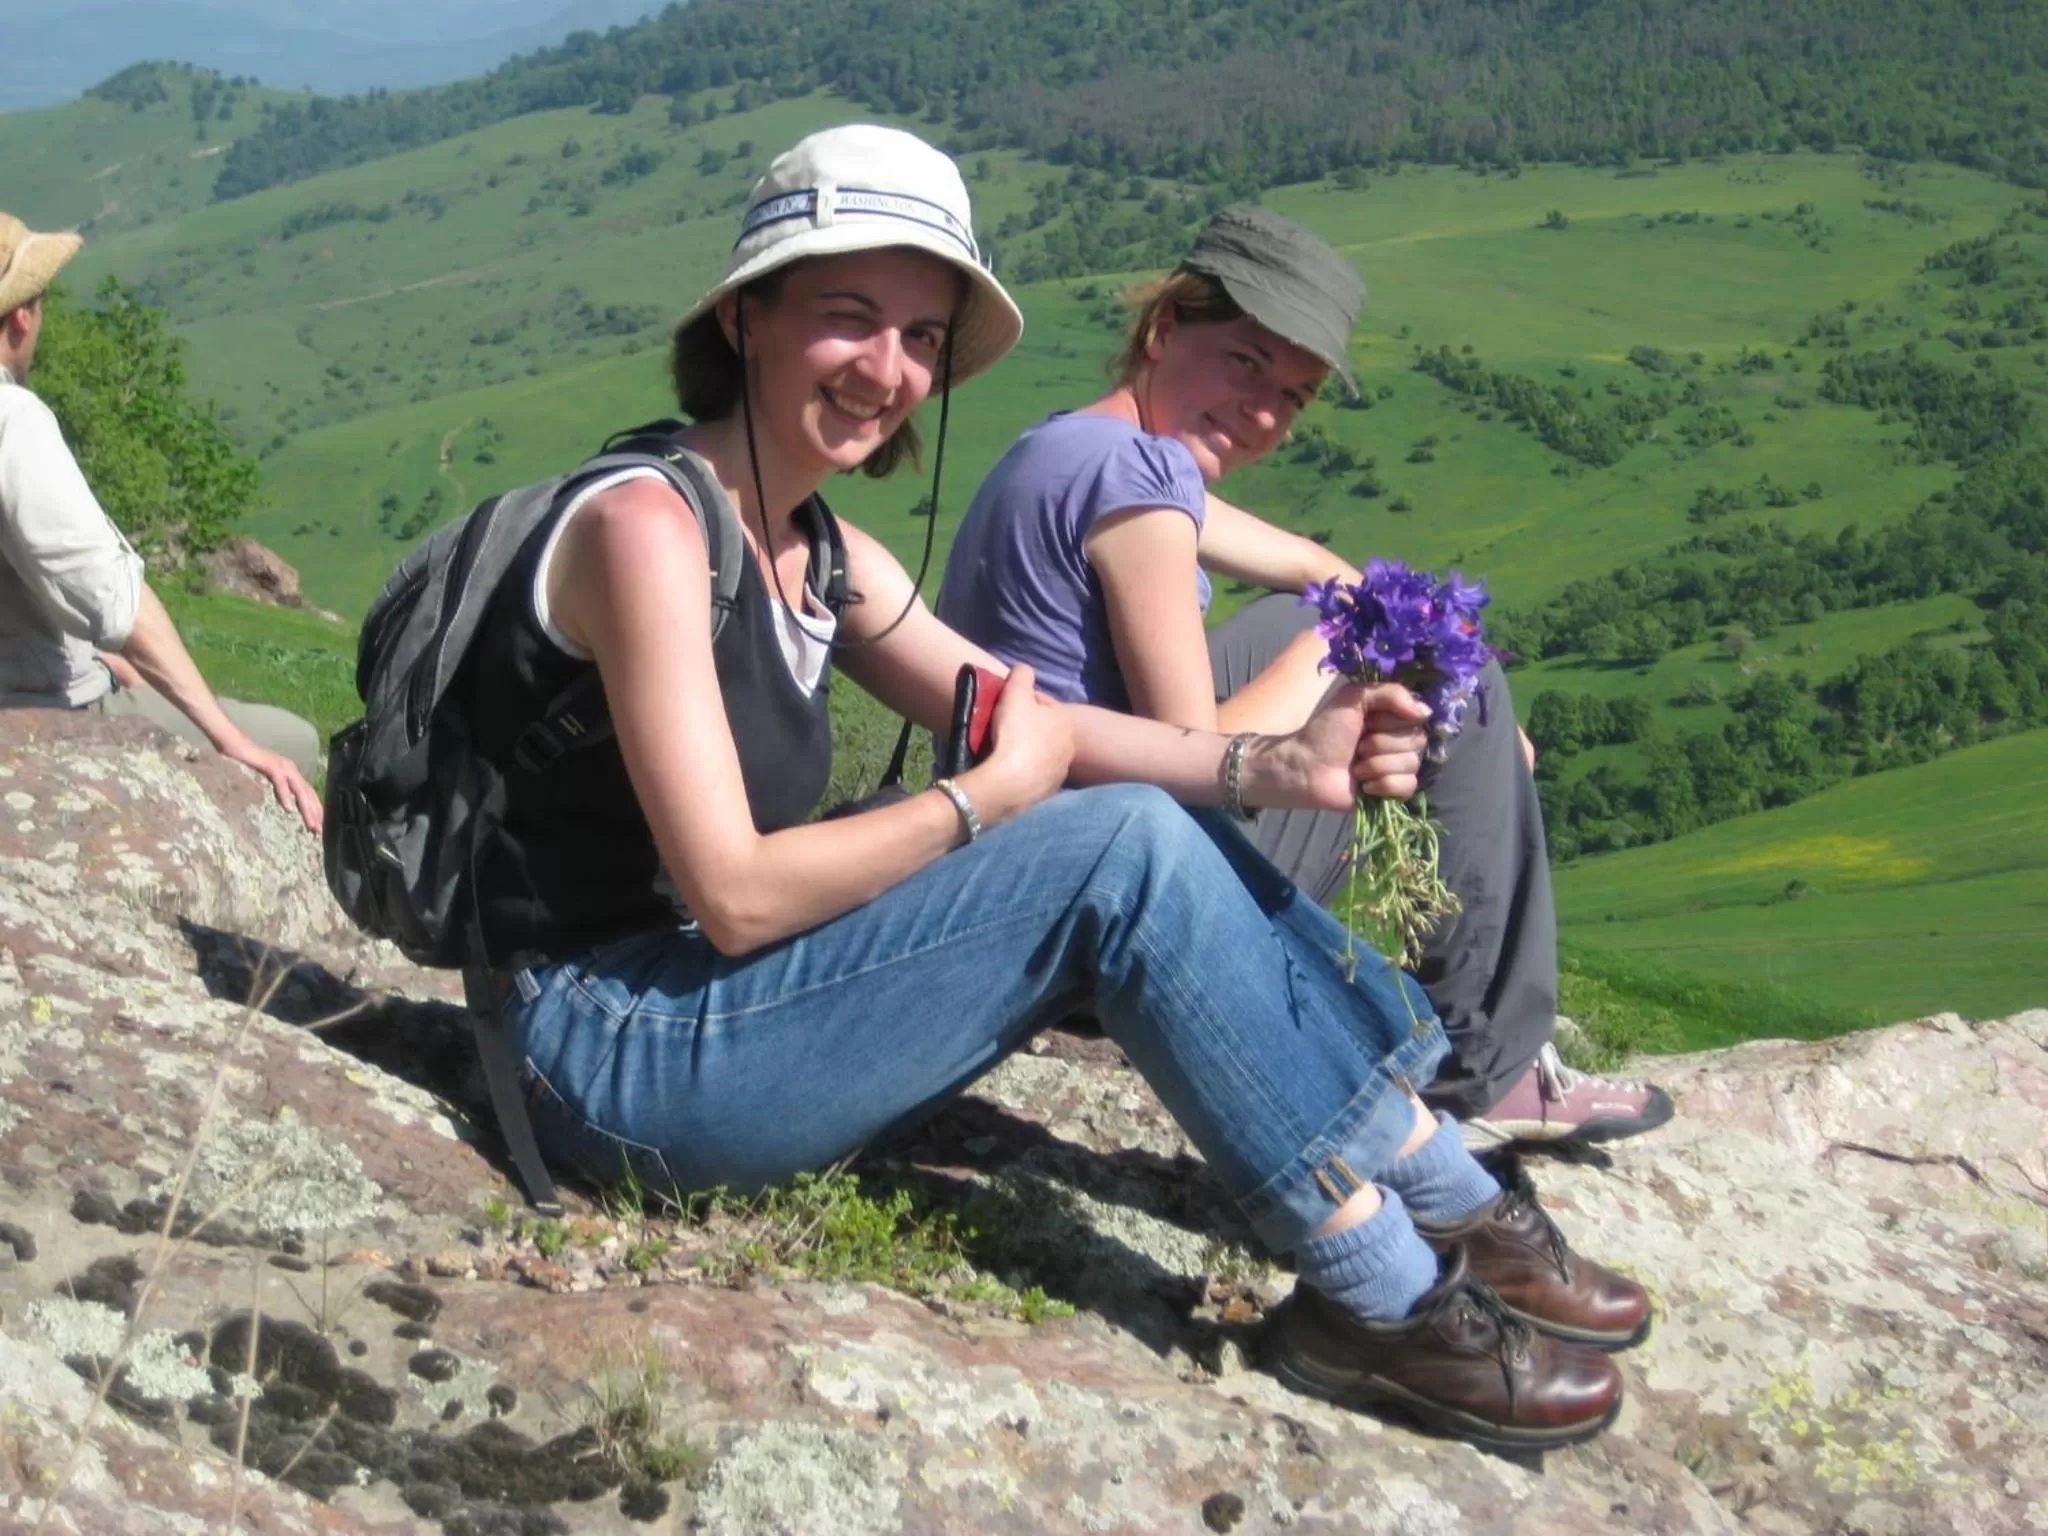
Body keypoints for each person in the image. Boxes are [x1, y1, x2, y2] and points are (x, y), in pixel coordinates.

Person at [459, 123, 1646, 1454]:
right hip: (607, 1056)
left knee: (1126, 818)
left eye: (921, 338)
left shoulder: (824, 555)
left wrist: (1278, 766)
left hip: (694, 995)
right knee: (1112, 848)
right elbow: (736, 896)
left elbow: (1041, 722)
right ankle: (1380, 1293)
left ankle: (1439, 1181)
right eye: (851, 318)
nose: (890, 370)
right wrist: (984, 802)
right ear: (745, 316)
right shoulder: (646, 532)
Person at [937, 206, 1672, 1146]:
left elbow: (1315, 568)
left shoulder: (1074, 447)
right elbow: (1198, 762)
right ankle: (1485, 1073)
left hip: (1029, 868)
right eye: (1246, 362)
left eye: (1296, 393)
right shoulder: (1142, 482)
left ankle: (1464, 1018)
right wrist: (1392, 671)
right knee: (1399, 656)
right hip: (1113, 897)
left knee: (1394, 635)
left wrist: (1409, 636)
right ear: (1165, 331)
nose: (1265, 413)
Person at [0, 213, 323, 832]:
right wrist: (231, 740)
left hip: (38, 677)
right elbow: (117, 604)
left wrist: (89, 648)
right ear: (23, 315)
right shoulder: (15, 420)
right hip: (45, 717)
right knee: (298, 740)